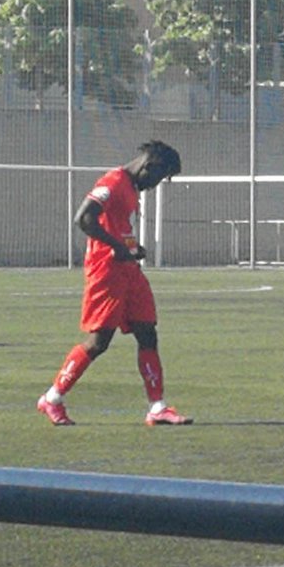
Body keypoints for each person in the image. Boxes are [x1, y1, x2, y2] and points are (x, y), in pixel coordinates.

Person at [36, 141, 193, 426]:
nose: (155, 185)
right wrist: (117, 247)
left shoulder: (130, 188)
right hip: (106, 271)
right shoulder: (113, 182)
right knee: (99, 342)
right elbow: (84, 219)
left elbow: (117, 226)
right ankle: (52, 398)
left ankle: (157, 407)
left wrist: (131, 248)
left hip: (128, 270)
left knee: (147, 332)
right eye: (158, 178)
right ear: (149, 166)